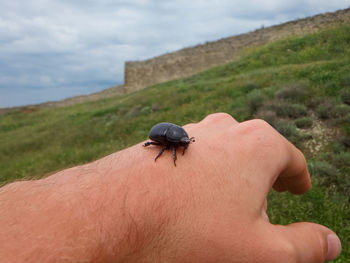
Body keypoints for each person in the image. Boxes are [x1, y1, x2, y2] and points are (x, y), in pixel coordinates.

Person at [0, 113, 341, 262]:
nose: (184, 146)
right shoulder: (166, 141)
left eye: (184, 143)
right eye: (182, 144)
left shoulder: (181, 139)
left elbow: (180, 140)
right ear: (174, 141)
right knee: (158, 152)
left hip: (168, 131)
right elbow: (162, 140)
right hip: (160, 133)